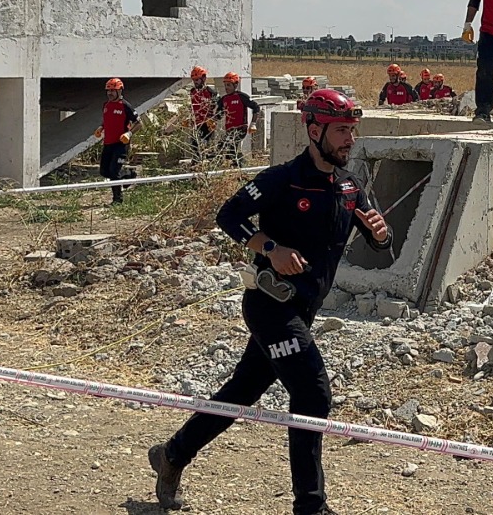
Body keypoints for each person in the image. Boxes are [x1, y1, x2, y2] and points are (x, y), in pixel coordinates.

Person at [148, 89, 393, 515]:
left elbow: (380, 248)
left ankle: (172, 455)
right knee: (312, 394)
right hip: (269, 305)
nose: (349, 140)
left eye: (352, 131)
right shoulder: (282, 178)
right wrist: (270, 247)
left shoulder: (351, 186)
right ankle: (310, 507)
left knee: (242, 390)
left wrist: (380, 233)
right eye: (340, 132)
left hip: (304, 309)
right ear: (314, 130)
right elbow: (229, 216)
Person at [95, 78, 138, 204]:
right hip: (108, 143)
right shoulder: (106, 105)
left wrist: (129, 133)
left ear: (120, 91)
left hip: (121, 144)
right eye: (108, 90)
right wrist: (101, 127)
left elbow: (138, 123)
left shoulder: (125, 106)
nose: (110, 93)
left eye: (113, 90)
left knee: (114, 172)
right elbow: (108, 120)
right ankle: (128, 175)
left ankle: (117, 200)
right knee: (104, 171)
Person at [216, 72, 261, 166]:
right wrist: (212, 120)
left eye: (229, 85)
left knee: (231, 147)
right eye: (225, 85)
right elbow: (218, 114)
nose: (226, 87)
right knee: (221, 147)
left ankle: (242, 165)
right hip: (229, 130)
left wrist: (253, 123)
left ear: (236, 84)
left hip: (240, 128)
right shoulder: (223, 99)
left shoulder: (241, 97)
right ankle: (228, 165)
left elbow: (256, 107)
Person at [187, 66, 218, 159]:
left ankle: (208, 162)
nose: (195, 82)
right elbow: (191, 107)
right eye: (194, 80)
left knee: (206, 145)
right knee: (194, 144)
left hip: (208, 123)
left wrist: (214, 119)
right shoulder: (192, 92)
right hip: (197, 123)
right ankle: (198, 162)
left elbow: (217, 107)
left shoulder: (211, 92)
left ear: (203, 78)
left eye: (197, 79)